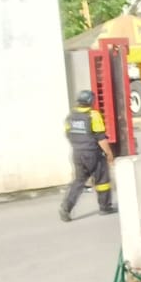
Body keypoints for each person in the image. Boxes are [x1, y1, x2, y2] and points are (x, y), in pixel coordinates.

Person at [60, 89, 116, 221]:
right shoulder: (93, 115)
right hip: (92, 153)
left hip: (77, 153)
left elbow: (68, 134)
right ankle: (105, 207)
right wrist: (109, 154)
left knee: (79, 181)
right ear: (91, 101)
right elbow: (101, 138)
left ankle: (66, 208)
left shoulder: (71, 116)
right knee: (102, 180)